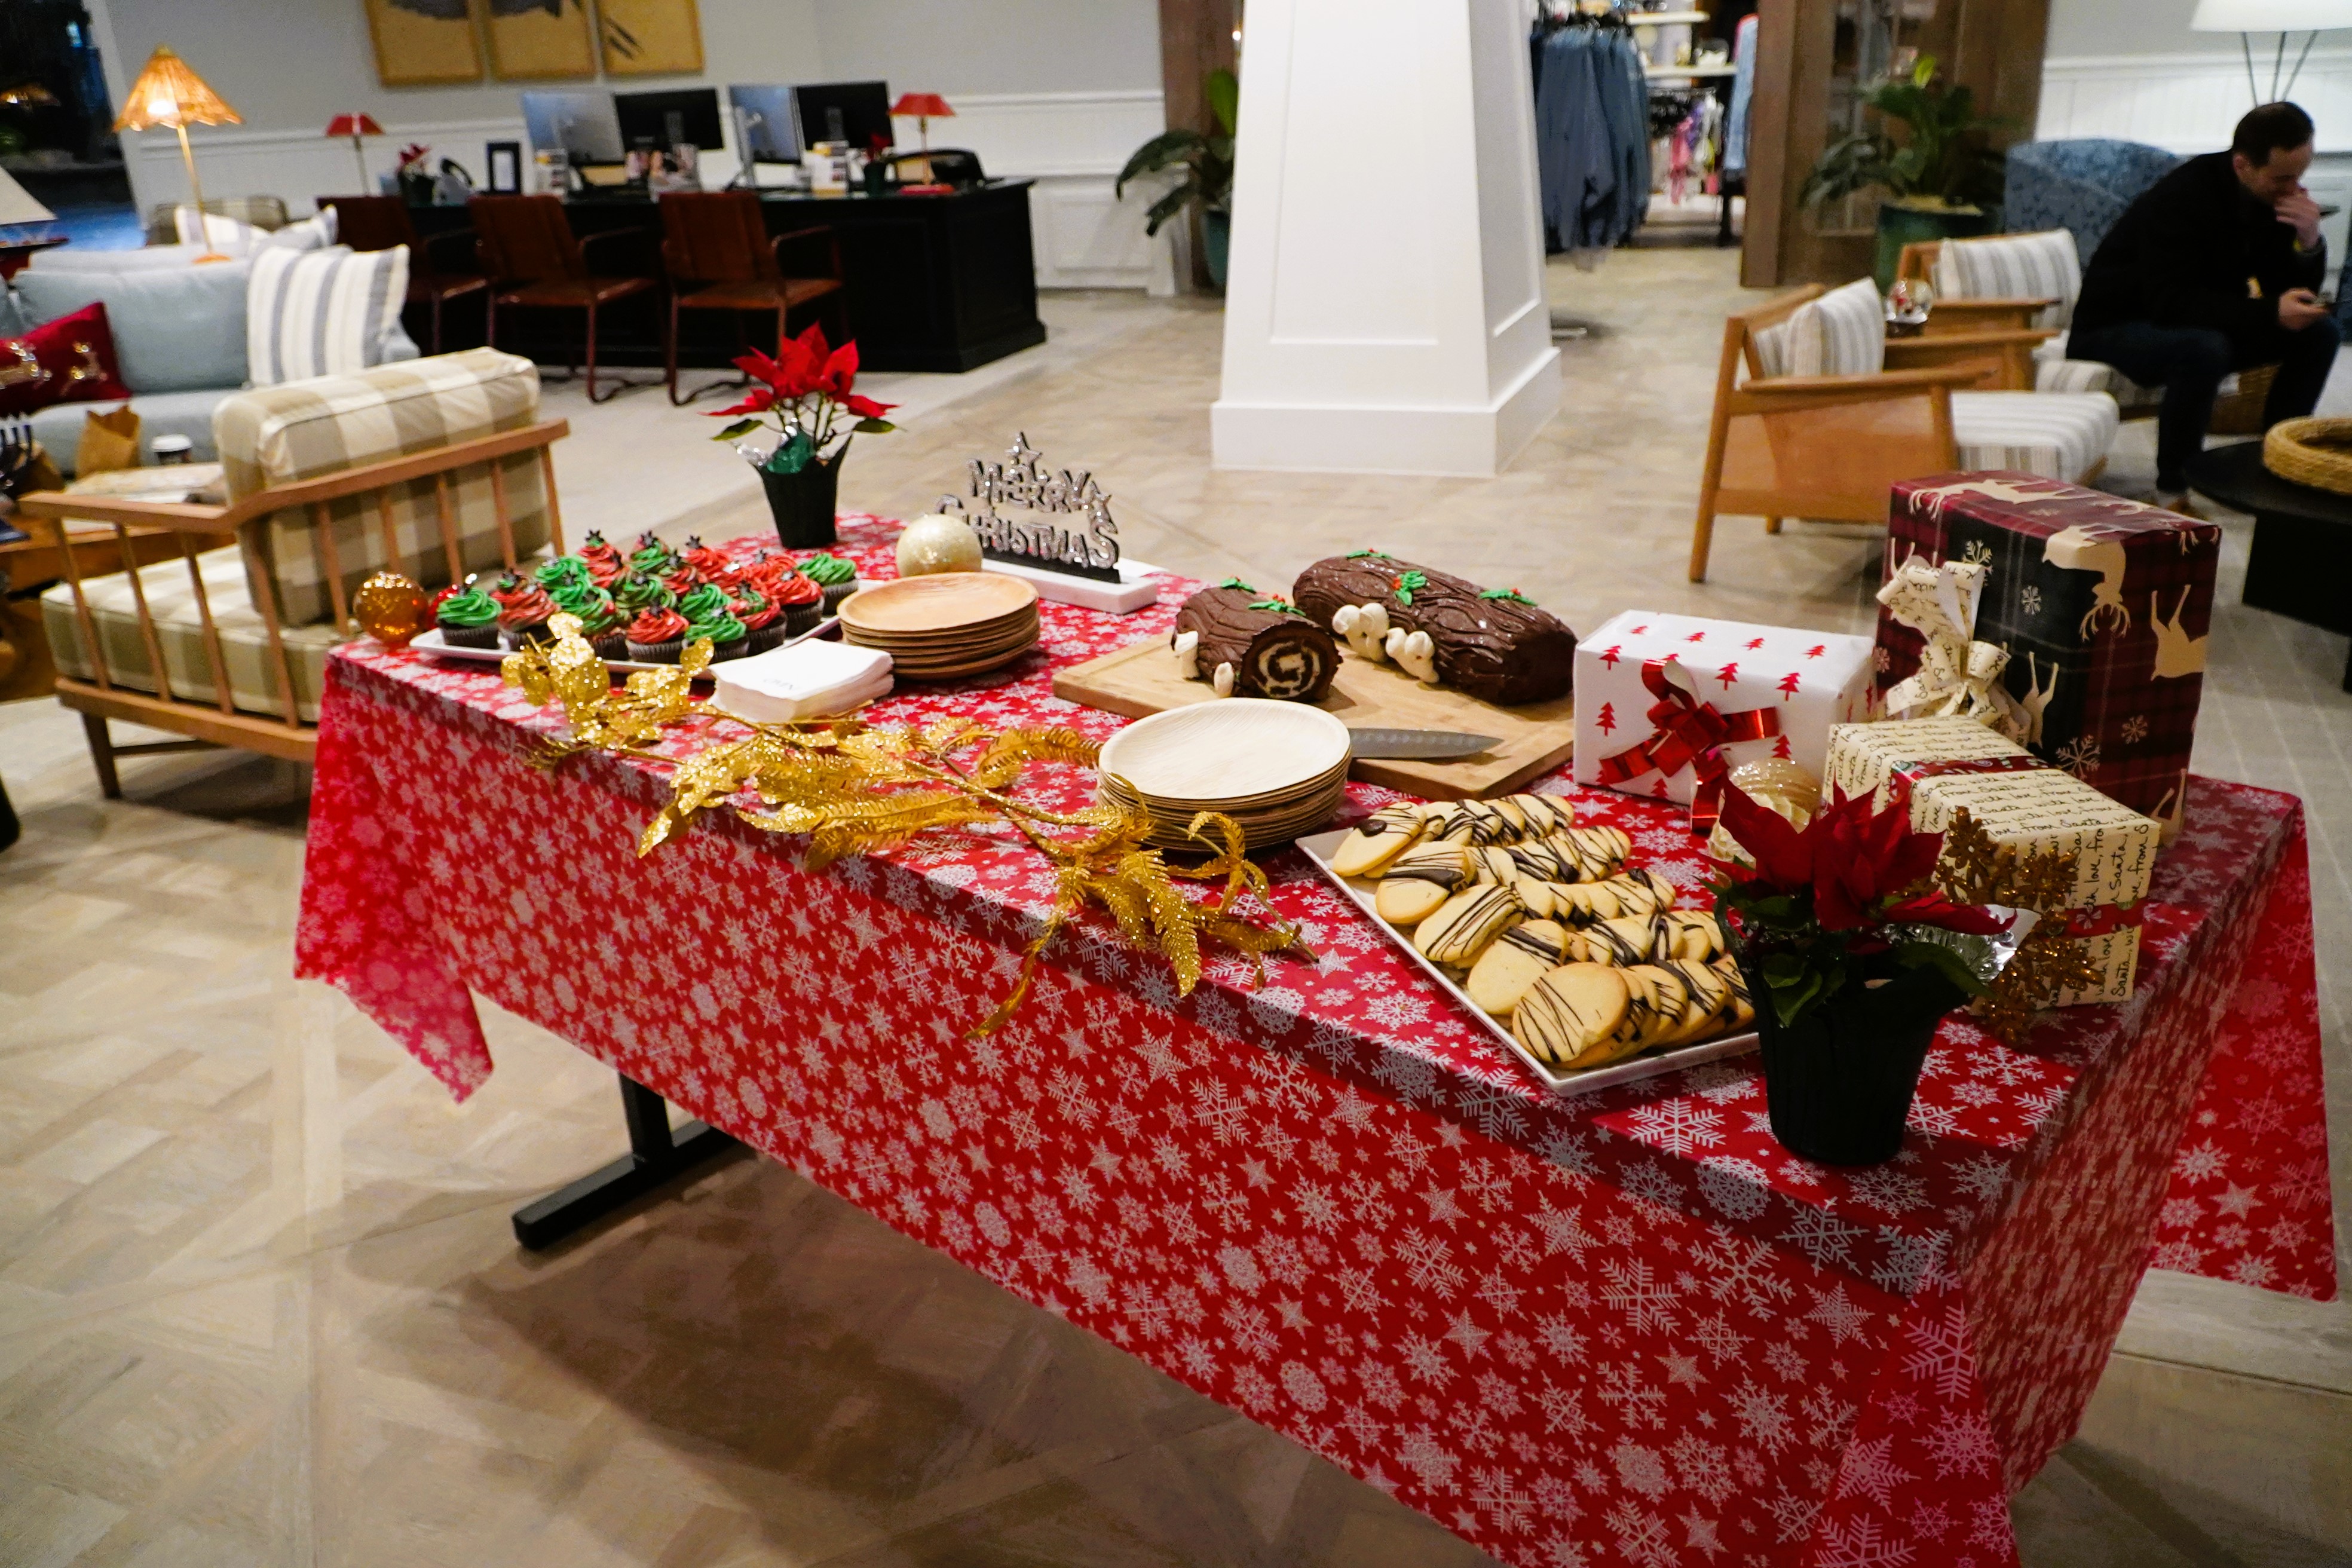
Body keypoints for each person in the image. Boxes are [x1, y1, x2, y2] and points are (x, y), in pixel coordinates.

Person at [2071, 101, 2339, 509]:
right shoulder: (2181, 199)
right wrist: (2270, 312)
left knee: (2318, 333)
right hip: (2113, 328)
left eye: (2300, 177)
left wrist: (2308, 241)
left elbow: (2285, 291)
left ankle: (2280, 461)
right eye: (2283, 178)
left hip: (2193, 320)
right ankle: (2173, 487)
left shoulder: (2266, 195)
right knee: (2203, 348)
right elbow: (2170, 303)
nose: (2294, 190)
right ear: (2242, 165)